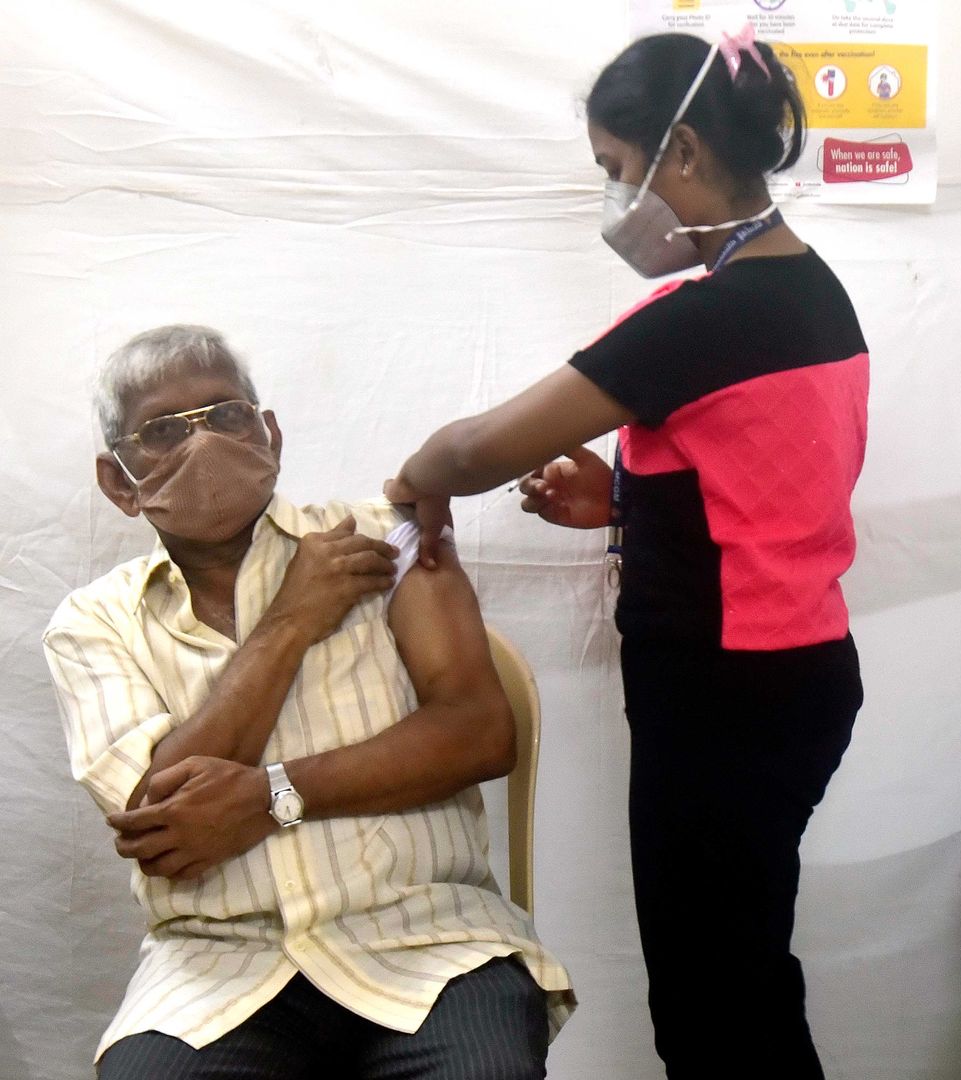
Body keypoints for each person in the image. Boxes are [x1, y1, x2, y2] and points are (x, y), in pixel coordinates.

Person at [383, 28, 868, 1079]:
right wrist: (625, 506)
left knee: (710, 1006)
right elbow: (767, 492)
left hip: (729, 699)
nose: (614, 199)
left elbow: (482, 447)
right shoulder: (808, 291)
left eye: (615, 168)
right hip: (790, 678)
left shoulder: (710, 317)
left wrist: (418, 478)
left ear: (681, 151)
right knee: (741, 974)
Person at [44, 326, 573, 1080]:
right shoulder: (92, 623)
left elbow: (479, 732)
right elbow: (161, 820)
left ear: (270, 433)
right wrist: (291, 621)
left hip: (431, 946)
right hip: (216, 969)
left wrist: (270, 796)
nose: (204, 444)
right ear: (118, 481)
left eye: (225, 415)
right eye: (162, 430)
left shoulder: (389, 538)